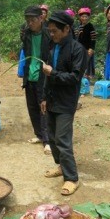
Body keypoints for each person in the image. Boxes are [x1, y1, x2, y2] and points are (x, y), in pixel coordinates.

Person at [41, 10, 87, 196]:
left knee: (62, 139)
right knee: (51, 137)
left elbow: (75, 78)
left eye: (54, 31)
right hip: (52, 99)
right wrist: (44, 97)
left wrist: (53, 73)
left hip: (66, 102)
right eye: (50, 31)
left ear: (66, 28)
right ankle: (61, 166)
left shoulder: (78, 50)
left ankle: (72, 178)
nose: (52, 34)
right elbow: (47, 76)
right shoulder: (54, 47)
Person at [21, 5, 51, 154]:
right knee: (32, 107)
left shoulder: (48, 34)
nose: (30, 23)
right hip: (30, 75)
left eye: (32, 20)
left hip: (43, 76)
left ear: (41, 18)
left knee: (43, 108)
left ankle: (47, 140)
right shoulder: (26, 34)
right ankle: (39, 135)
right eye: (27, 20)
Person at [75, 7, 97, 78]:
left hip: (87, 49)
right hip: (79, 49)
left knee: (87, 64)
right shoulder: (79, 26)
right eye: (82, 16)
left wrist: (91, 48)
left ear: (88, 17)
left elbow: (93, 39)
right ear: (80, 17)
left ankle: (87, 80)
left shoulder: (90, 26)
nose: (84, 18)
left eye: (86, 16)